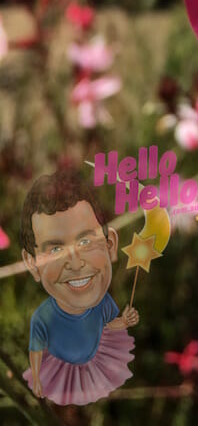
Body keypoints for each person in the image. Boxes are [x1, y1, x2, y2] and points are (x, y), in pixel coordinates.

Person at [20, 169, 139, 405]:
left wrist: (123, 322)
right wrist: (36, 377)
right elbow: (35, 350)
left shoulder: (103, 303)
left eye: (85, 241)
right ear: (31, 265)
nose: (75, 263)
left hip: (94, 365)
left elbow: (106, 327)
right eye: (55, 250)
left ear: (111, 245)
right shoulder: (42, 317)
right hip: (58, 373)